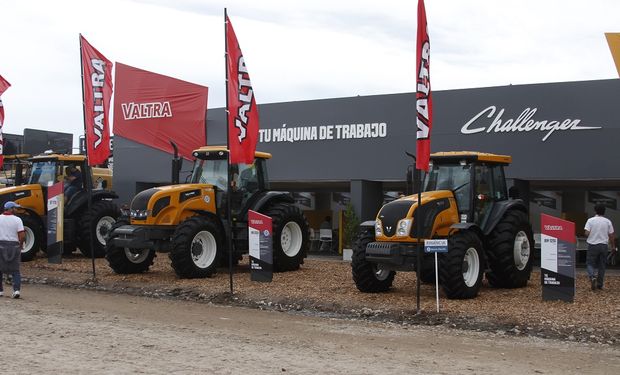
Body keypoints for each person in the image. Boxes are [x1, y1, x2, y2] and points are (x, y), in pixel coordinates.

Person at [584, 204, 617, 291]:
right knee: (602, 265)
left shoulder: (590, 220)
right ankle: (600, 284)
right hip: (603, 246)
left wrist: (589, 234)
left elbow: (586, 233)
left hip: (593, 245)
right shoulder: (608, 221)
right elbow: (611, 235)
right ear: (604, 212)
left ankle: (592, 277)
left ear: (595, 211)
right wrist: (613, 246)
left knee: (590, 263)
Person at [0, 201, 25, 298]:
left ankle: (0, 291)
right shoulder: (17, 220)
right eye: (15, 208)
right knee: (15, 270)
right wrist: (21, 244)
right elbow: (22, 235)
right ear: (11, 209)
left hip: (0, 243)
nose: (17, 210)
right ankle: (16, 290)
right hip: (14, 245)